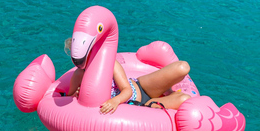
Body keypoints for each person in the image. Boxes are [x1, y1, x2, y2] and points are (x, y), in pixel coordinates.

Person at [63, 38, 191, 114]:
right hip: (142, 104)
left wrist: (115, 100)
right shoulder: (80, 74)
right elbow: (70, 96)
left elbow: (127, 90)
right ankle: (168, 95)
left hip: (141, 85)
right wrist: (78, 94)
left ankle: (166, 90)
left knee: (183, 67)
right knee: (184, 99)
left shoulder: (110, 63)